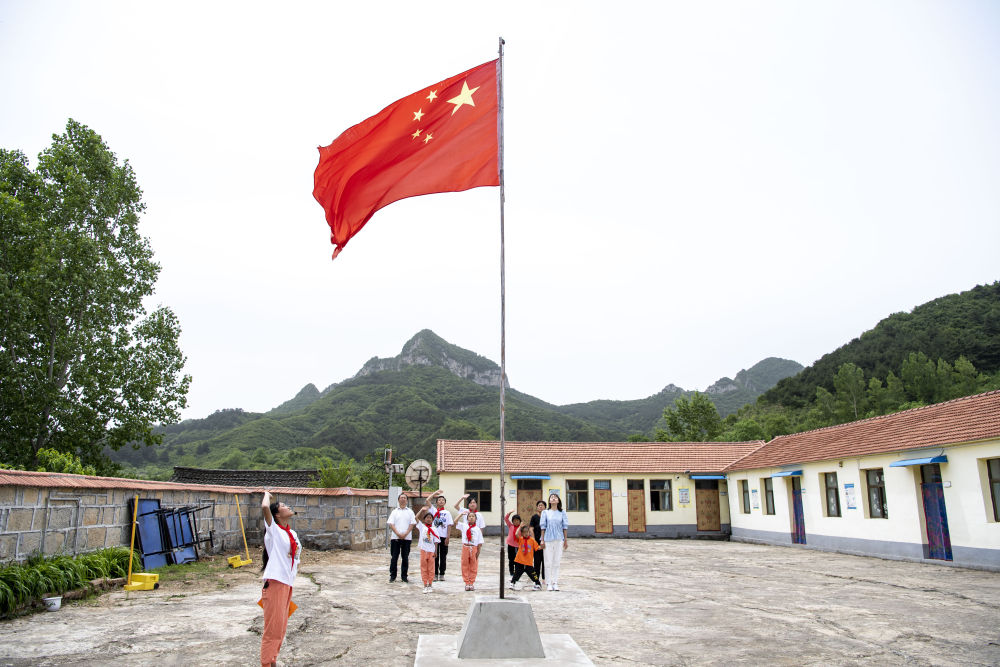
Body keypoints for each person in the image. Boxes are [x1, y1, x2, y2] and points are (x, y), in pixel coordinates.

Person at [259, 491, 300, 667]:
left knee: (281, 629)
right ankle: (267, 663)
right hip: (275, 582)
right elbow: (264, 507)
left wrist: (293, 553)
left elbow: (296, 555)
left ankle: (272, 660)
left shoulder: (292, 533)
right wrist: (267, 494)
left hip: (287, 583)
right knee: (272, 630)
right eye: (283, 505)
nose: (288, 507)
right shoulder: (274, 530)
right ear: (277, 514)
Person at [540, 492, 569, 591]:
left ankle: (555, 582)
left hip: (559, 539)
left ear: (558, 501)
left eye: (555, 497)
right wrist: (542, 540)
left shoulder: (562, 513)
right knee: (548, 562)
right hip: (547, 539)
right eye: (551, 497)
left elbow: (565, 527)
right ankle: (548, 583)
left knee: (556, 562)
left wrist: (565, 540)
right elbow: (543, 527)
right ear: (549, 501)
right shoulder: (545, 512)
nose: (553, 498)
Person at [387, 492, 416, 583]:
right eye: (401, 498)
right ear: (398, 500)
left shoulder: (410, 512)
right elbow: (391, 524)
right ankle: (393, 576)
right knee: (394, 557)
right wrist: (398, 534)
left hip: (407, 538)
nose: (403, 499)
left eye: (404, 498)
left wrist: (405, 534)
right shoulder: (394, 512)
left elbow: (412, 524)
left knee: (405, 557)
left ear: (407, 501)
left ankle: (404, 576)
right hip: (395, 538)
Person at [414, 505, 441, 593]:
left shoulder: (434, 529)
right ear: (424, 519)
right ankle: (425, 584)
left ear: (432, 520)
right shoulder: (422, 527)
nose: (429, 519)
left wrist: (435, 551)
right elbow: (416, 518)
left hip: (431, 551)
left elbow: (436, 541)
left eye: (430, 518)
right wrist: (421, 510)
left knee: (431, 568)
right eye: (427, 518)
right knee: (424, 568)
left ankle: (430, 584)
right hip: (423, 550)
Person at [455, 509, 484, 591]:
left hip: (473, 547)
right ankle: (466, 582)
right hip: (465, 547)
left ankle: (471, 582)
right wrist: (461, 514)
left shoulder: (477, 529)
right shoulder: (464, 526)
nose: (471, 518)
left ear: (476, 519)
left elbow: (480, 542)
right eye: (469, 516)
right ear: (467, 518)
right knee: (464, 565)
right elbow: (455, 521)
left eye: (473, 516)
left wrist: (478, 552)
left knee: (473, 565)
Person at [427, 491, 453, 581]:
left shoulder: (447, 513)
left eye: (443, 500)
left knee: (443, 556)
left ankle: (442, 573)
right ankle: (435, 574)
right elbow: (427, 500)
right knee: (434, 555)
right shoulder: (433, 510)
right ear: (436, 502)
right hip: (434, 537)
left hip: (443, 537)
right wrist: (435, 493)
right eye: (439, 500)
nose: (441, 501)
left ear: (445, 502)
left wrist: (448, 537)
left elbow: (449, 525)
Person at [509, 524, 542, 591]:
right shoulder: (521, 539)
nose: (526, 534)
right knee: (516, 574)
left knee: (533, 574)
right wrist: (519, 527)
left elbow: (537, 547)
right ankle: (512, 583)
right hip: (520, 561)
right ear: (522, 533)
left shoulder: (532, 540)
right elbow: (516, 534)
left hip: (528, 562)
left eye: (527, 532)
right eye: (524, 532)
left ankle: (537, 584)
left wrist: (542, 546)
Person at [454, 494, 486, 559]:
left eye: (474, 502)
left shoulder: (479, 515)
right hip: (466, 536)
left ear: (476, 504)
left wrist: (480, 540)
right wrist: (462, 498)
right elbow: (456, 506)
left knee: (474, 556)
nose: (472, 504)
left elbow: (481, 528)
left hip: (475, 536)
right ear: (468, 505)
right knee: (465, 557)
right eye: (471, 503)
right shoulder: (465, 511)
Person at [529, 499, 546, 583]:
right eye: (539, 505)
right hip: (536, 542)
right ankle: (536, 578)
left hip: (546, 541)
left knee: (545, 560)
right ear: (537, 507)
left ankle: (544, 578)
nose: (540, 506)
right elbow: (531, 529)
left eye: (542, 505)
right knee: (537, 561)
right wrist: (534, 541)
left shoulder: (547, 517)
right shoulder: (534, 517)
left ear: (545, 507)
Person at [504, 511, 522, 582]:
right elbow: (506, 519)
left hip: (518, 546)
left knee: (517, 560)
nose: (516, 522)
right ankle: (511, 574)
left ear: (520, 521)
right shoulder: (511, 526)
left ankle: (517, 575)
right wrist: (509, 513)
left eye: (517, 520)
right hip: (510, 545)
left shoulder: (521, 528)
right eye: (514, 521)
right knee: (511, 560)